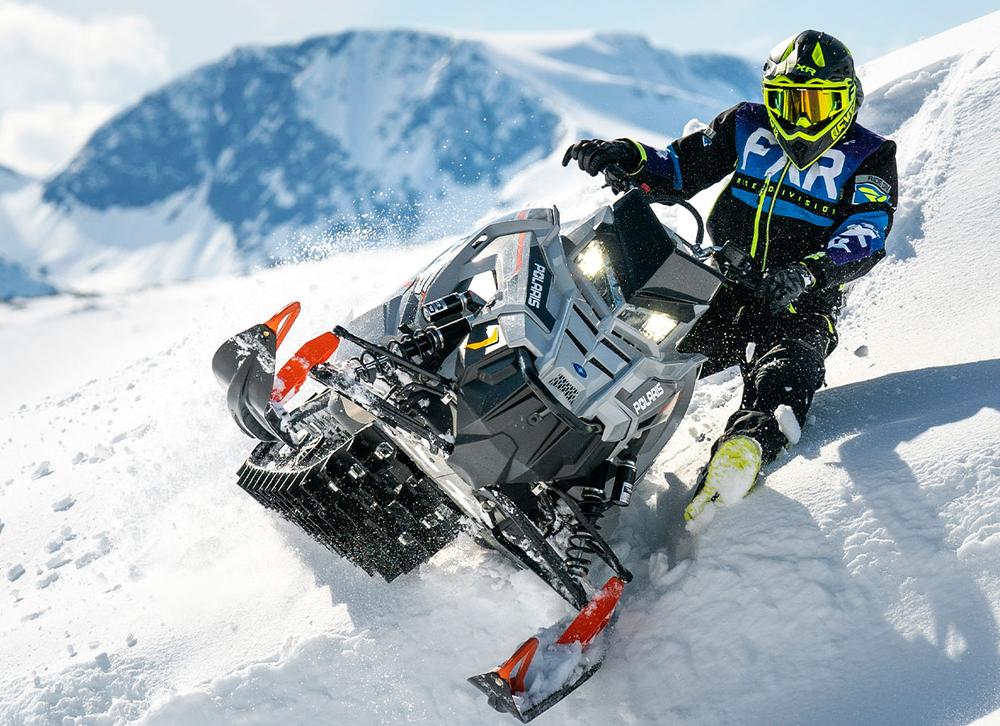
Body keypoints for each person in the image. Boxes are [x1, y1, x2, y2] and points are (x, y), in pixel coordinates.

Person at [562, 30, 898, 527]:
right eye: (788, 103)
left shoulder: (869, 154)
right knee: (635, 350)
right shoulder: (745, 123)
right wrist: (629, 157)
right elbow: (679, 168)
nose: (800, 119)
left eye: (816, 104)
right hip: (718, 282)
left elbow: (867, 230)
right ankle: (572, 447)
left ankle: (743, 451)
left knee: (788, 368)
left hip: (799, 300)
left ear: (846, 100)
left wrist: (808, 272)